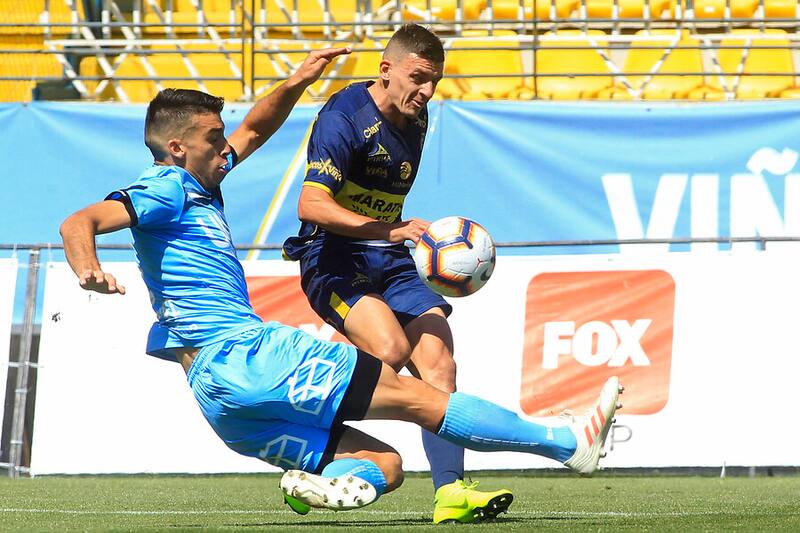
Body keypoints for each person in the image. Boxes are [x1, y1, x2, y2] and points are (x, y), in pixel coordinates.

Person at [59, 68, 623, 523]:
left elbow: (252, 131)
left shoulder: (197, 179)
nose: (225, 147)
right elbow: (79, 221)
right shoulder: (164, 187)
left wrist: (295, 83)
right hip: (248, 356)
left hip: (220, 400)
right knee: (421, 397)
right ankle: (568, 443)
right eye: (213, 138)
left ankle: (326, 485)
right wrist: (89, 271)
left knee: (386, 463)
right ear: (178, 147)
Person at [281, 24, 496, 524]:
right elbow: (310, 204)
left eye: (435, 82)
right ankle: (311, 447)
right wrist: (389, 228)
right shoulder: (344, 118)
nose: (426, 91)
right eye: (418, 78)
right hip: (331, 257)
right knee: (392, 352)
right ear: (386, 70)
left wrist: (396, 236)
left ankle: (452, 493)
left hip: (391, 254)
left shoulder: (416, 118)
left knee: (439, 360)